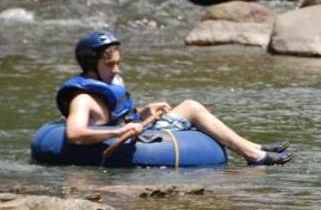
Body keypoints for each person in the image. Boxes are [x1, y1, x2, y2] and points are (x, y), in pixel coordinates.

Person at [57, 30, 294, 165]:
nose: (116, 70)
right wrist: (117, 133)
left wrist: (144, 111)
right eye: (110, 64)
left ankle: (253, 147)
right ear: (90, 64)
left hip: (133, 130)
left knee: (190, 105)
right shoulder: (83, 99)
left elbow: (118, 115)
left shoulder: (106, 86)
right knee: (191, 107)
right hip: (117, 140)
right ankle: (254, 153)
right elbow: (75, 134)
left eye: (118, 63)